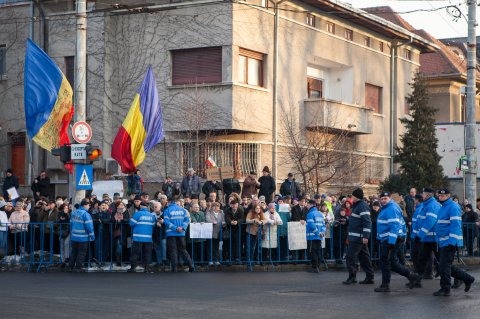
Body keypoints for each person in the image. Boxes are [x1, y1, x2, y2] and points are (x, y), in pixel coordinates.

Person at [431, 189, 476, 296]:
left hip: (449, 242)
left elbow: (455, 226)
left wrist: (452, 242)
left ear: (448, 196)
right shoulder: (443, 207)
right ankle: (468, 278)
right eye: (439, 196)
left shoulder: (453, 207)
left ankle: (445, 289)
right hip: (443, 241)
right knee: (446, 266)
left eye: (443, 196)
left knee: (443, 266)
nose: (440, 197)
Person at [374, 192, 419, 292]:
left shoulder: (391, 208)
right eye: (381, 199)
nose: (383, 201)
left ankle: (385, 285)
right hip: (391, 238)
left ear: (389, 198)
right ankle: (411, 276)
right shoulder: (388, 207)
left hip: (392, 239)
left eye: (385, 198)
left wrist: (391, 241)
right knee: (392, 262)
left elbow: (394, 226)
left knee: (385, 261)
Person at [342, 188, 374, 285]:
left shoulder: (362, 206)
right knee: (364, 258)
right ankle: (370, 276)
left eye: (352, 196)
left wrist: (365, 236)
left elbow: (367, 222)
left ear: (356, 197)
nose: (351, 198)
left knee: (350, 257)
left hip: (358, 238)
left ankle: (352, 277)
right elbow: (357, 220)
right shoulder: (358, 206)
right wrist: (347, 220)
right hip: (357, 237)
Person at [416, 187, 441, 285]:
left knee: (442, 260)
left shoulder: (433, 205)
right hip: (427, 238)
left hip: (434, 238)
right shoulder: (426, 205)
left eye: (423, 193)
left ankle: (458, 277)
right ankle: (417, 280)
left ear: (427, 195)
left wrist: (420, 234)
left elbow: (430, 221)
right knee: (421, 259)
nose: (422, 195)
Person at [163, 200, 194, 272]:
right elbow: (187, 220)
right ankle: (191, 265)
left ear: (169, 203)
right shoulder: (183, 210)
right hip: (181, 233)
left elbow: (166, 222)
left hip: (171, 233)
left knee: (173, 250)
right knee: (183, 250)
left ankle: (175, 268)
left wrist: (175, 228)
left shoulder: (167, 210)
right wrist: (182, 228)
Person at [128, 201, 156, 273]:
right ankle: (146, 268)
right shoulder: (151, 215)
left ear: (140, 207)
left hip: (138, 237)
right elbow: (153, 225)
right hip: (148, 238)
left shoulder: (138, 214)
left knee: (135, 253)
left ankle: (133, 268)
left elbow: (131, 224)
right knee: (147, 253)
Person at [69, 199, 95, 272]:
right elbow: (89, 227)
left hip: (74, 236)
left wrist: (72, 234)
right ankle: (78, 268)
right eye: (89, 205)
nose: (89, 207)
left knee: (74, 252)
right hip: (83, 237)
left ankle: (70, 267)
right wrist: (92, 236)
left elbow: (71, 224)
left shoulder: (74, 213)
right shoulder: (85, 214)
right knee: (81, 253)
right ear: (85, 205)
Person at [305, 199, 326, 273]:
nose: (307, 206)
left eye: (307, 204)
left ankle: (315, 267)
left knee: (312, 251)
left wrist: (317, 233)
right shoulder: (320, 214)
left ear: (311, 205)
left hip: (312, 236)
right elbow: (324, 225)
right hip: (319, 236)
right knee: (318, 251)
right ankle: (318, 266)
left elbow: (311, 225)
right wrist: (322, 232)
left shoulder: (310, 214)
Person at [223, 199, 244, 264]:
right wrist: (230, 222)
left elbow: (242, 219)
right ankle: (230, 258)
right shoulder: (228, 210)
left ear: (237, 205)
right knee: (230, 244)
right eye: (233, 205)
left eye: (236, 205)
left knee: (237, 243)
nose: (235, 206)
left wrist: (237, 222)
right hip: (230, 229)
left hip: (238, 229)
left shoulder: (240, 210)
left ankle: (237, 258)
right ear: (231, 205)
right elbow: (227, 218)